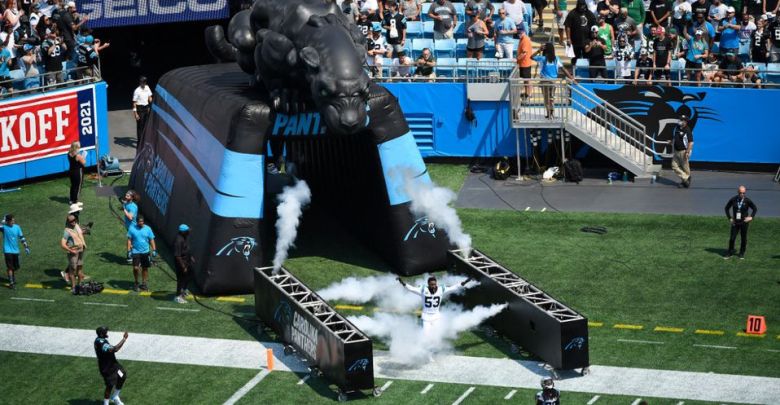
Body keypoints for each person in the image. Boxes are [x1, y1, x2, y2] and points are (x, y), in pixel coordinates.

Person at [397, 275, 472, 337]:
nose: (433, 286)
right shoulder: (423, 290)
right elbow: (412, 289)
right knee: (426, 335)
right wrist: (402, 282)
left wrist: (465, 282)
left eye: (434, 284)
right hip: (426, 316)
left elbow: (454, 288)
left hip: (436, 316)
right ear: (428, 284)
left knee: (436, 335)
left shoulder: (441, 289)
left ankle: (434, 348)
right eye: (431, 285)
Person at [532, 43, 576, 118]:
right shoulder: (556, 59)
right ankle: (551, 113)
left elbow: (531, 57)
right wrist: (572, 78)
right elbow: (564, 69)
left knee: (546, 98)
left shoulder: (543, 58)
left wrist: (539, 50)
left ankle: (549, 113)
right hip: (553, 81)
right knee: (551, 97)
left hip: (544, 81)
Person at [94, 327, 128, 405]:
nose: (107, 332)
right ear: (101, 334)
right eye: (105, 332)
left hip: (114, 365)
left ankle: (115, 396)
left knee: (122, 376)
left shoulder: (102, 340)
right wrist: (124, 339)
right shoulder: (100, 342)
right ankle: (106, 403)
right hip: (107, 368)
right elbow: (114, 349)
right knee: (110, 385)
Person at [723, 185, 757, 259]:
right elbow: (726, 208)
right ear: (738, 192)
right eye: (740, 193)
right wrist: (730, 218)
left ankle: (742, 253)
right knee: (732, 238)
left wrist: (751, 217)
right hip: (735, 222)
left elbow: (755, 208)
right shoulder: (733, 199)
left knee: (743, 238)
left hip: (744, 222)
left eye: (743, 193)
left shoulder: (747, 200)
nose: (742, 194)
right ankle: (730, 252)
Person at [127, 215, 156, 292]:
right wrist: (129, 251)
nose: (141, 223)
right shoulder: (132, 228)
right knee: (135, 268)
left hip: (145, 252)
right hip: (135, 251)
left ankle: (144, 283)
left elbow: (151, 239)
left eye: (142, 221)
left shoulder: (148, 229)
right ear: (137, 222)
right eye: (140, 222)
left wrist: (154, 250)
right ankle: (136, 282)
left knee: (145, 268)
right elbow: (129, 240)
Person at [1, 214, 30, 290]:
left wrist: (26, 247)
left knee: (16, 267)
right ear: (8, 221)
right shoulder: (4, 228)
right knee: (10, 267)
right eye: (12, 220)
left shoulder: (17, 227)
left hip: (15, 251)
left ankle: (11, 274)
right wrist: (3, 222)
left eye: (13, 220)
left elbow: (22, 237)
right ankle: (11, 283)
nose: (13, 221)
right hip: (7, 251)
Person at [565, 0, 598, 66]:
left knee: (587, 57)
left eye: (583, 5)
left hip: (587, 40)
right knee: (575, 57)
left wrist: (594, 38)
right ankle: (574, 70)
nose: (582, 7)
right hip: (575, 40)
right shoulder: (573, 13)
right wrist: (568, 38)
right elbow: (567, 26)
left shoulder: (589, 13)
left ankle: (586, 69)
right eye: (580, 5)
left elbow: (594, 26)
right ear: (578, 5)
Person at [61, 214, 87, 295]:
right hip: (73, 252)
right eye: (71, 221)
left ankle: (79, 285)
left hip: (80, 250)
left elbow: (79, 234)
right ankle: (73, 287)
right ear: (68, 222)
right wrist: (71, 250)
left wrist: (84, 231)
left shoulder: (77, 226)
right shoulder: (67, 231)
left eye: (74, 220)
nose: (73, 222)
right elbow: (62, 244)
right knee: (72, 270)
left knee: (80, 268)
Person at [671, 114, 693, 188]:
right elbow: (675, 138)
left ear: (685, 122)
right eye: (680, 119)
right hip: (676, 151)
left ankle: (684, 182)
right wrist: (671, 141)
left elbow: (691, 142)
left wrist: (687, 152)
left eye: (682, 120)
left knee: (685, 168)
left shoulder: (687, 130)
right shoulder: (677, 128)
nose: (680, 121)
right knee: (674, 166)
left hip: (683, 151)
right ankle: (686, 178)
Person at [173, 224, 194, 303]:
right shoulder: (178, 241)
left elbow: (186, 249)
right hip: (181, 264)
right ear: (183, 232)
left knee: (189, 275)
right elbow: (177, 256)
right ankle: (177, 296)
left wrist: (191, 257)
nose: (189, 232)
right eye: (187, 231)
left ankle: (184, 290)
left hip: (187, 261)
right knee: (181, 280)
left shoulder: (184, 237)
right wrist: (183, 267)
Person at [132, 76, 153, 147]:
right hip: (140, 109)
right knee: (140, 127)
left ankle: (144, 142)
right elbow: (134, 103)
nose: (143, 83)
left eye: (144, 82)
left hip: (146, 108)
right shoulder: (137, 91)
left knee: (145, 126)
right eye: (142, 82)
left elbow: (149, 97)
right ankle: (139, 144)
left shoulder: (147, 88)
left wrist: (152, 102)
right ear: (140, 82)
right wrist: (135, 114)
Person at [516, 28, 533, 96]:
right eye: (518, 33)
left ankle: (529, 93)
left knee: (527, 80)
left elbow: (524, 53)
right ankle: (526, 92)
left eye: (520, 33)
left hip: (525, 63)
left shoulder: (525, 40)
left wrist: (517, 59)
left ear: (523, 32)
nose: (518, 35)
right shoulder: (522, 39)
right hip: (523, 63)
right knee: (525, 79)